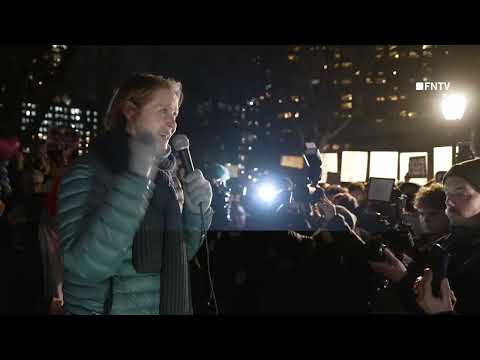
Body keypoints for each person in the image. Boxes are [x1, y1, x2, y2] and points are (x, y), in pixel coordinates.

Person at [57, 73, 213, 315]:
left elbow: (176, 257)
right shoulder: (88, 172)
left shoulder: (164, 180)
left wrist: (194, 213)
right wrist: (134, 184)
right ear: (130, 111)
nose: (172, 124)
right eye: (163, 111)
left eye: (174, 115)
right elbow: (84, 267)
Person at [371, 158, 480, 314]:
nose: (449, 201)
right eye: (447, 194)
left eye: (460, 192)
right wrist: (405, 276)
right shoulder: (446, 244)